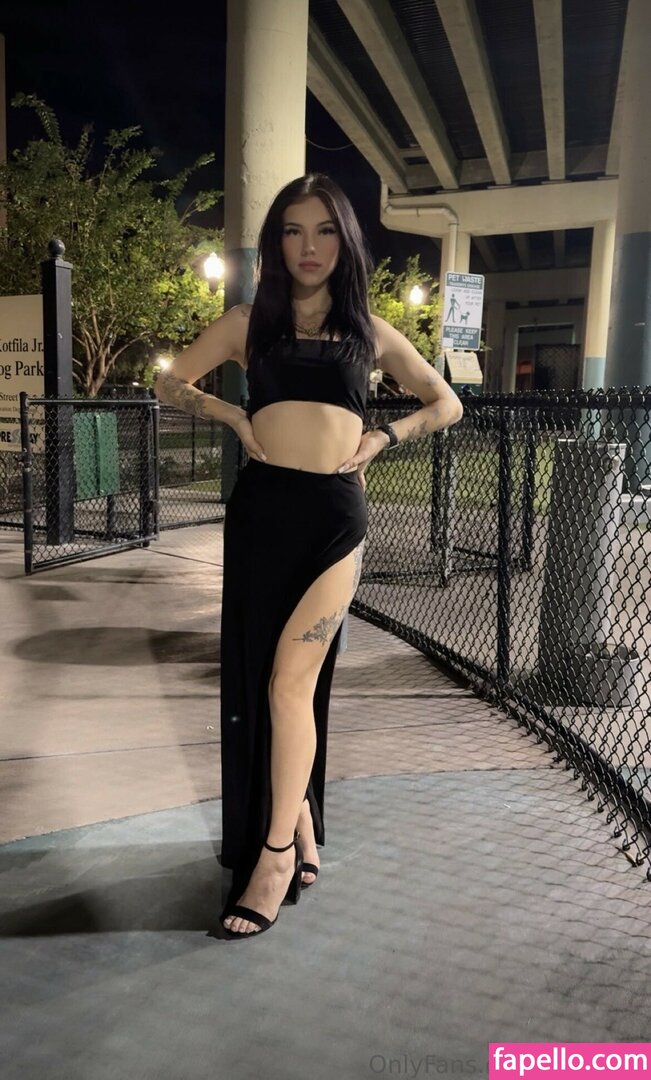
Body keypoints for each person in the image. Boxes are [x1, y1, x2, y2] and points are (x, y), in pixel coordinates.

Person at [154, 173, 463, 940]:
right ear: (275, 243)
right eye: (292, 231)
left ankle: (272, 859)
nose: (309, 246)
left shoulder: (369, 331)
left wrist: (385, 435)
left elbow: (446, 402)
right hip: (261, 516)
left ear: (344, 241)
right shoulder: (247, 323)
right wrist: (230, 414)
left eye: (323, 230)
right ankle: (301, 827)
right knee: (266, 684)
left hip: (332, 520)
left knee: (290, 687)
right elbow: (168, 380)